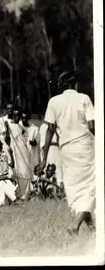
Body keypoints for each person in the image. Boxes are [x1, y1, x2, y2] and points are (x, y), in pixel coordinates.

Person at [41, 71, 95, 234]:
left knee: (75, 188)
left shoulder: (54, 101)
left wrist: (44, 159)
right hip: (85, 146)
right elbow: (92, 126)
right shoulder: (84, 98)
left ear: (63, 84)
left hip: (66, 150)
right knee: (90, 186)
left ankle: (92, 228)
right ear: (75, 84)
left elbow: (50, 130)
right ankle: (76, 225)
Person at [5, 107, 33, 201]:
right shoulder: (9, 125)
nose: (17, 117)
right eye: (15, 115)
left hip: (23, 151)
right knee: (17, 171)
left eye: (18, 116)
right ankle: (17, 194)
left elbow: (24, 139)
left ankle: (25, 195)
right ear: (12, 116)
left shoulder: (21, 127)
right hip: (15, 151)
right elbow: (7, 139)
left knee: (25, 171)